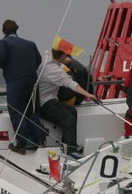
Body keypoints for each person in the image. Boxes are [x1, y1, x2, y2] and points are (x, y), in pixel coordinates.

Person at [38, 49, 96, 157]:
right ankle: (68, 151)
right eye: (65, 57)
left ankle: (71, 144)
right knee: (68, 118)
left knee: (72, 111)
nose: (67, 59)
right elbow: (71, 84)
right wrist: (88, 94)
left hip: (48, 99)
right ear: (60, 57)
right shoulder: (53, 70)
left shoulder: (47, 58)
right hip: (44, 103)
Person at [0, 20, 46, 154]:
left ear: (4, 31)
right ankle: (40, 141)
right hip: (32, 82)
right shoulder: (30, 44)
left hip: (15, 82)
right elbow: (38, 60)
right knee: (32, 111)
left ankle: (21, 144)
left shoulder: (4, 43)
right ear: (16, 30)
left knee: (17, 111)